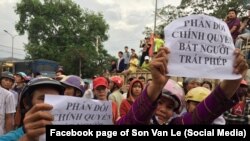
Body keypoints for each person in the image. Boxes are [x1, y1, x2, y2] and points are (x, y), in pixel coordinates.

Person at [0, 77, 64, 140]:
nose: (51, 104)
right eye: (42, 98)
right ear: (26, 103)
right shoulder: (8, 138)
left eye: (56, 99)